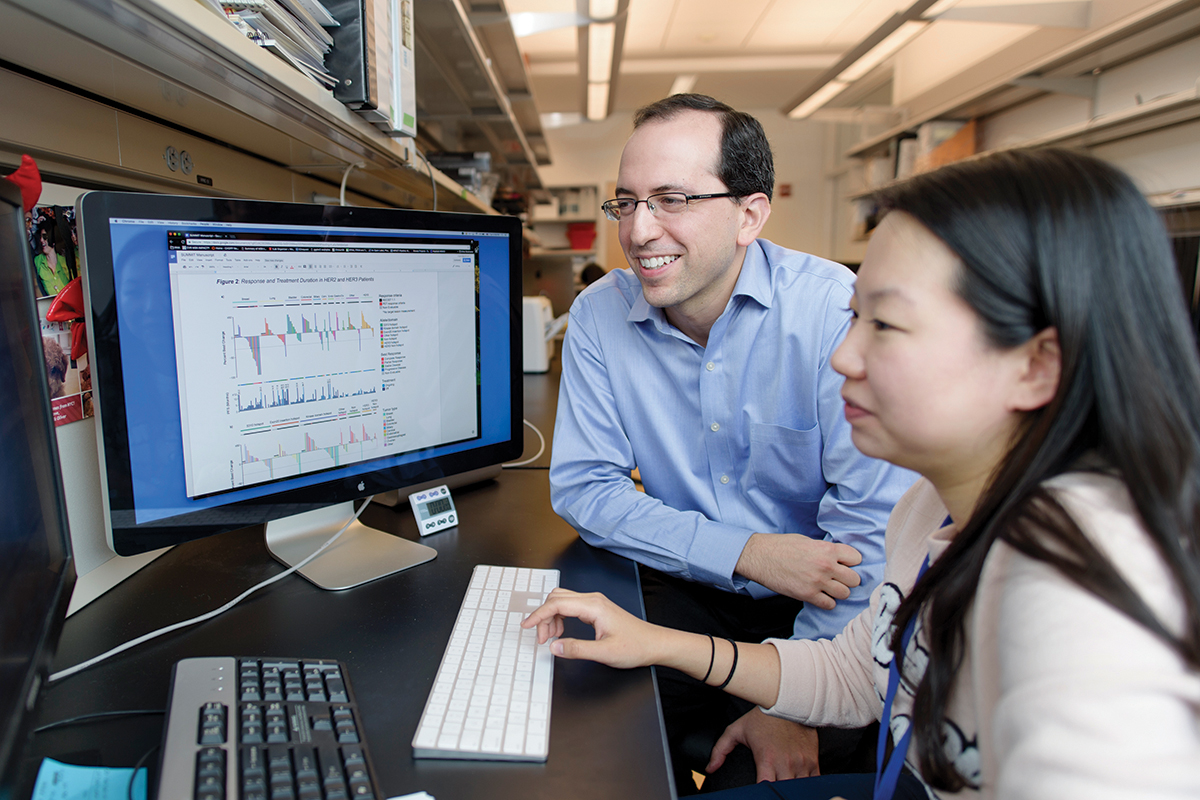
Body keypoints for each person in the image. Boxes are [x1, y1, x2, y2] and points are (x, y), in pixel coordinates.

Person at [528, 147, 1200, 799]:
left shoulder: (1081, 599)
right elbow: (857, 671)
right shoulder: (929, 510)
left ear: (1035, 366)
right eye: (855, 317)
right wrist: (658, 643)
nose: (844, 356)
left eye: (887, 325)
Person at [548, 93, 916, 790]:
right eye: (626, 202)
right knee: (574, 715)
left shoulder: (835, 315)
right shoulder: (598, 316)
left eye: (672, 199)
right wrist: (745, 553)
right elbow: (584, 489)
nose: (639, 229)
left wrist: (793, 702)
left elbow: (870, 537)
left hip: (826, 608)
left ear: (750, 213)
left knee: (748, 773)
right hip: (688, 575)